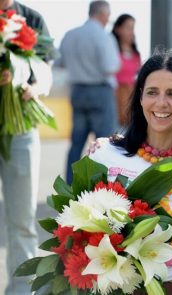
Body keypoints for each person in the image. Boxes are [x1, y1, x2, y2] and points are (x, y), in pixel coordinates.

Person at [88, 49, 172, 294]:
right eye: (152, 92)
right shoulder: (104, 154)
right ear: (140, 98)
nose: (161, 103)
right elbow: (76, 232)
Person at [0, 1, 54, 294]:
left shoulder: (32, 18)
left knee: (21, 219)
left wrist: (32, 85)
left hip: (20, 127)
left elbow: (45, 69)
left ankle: (20, 290)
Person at [57, 0, 120, 184]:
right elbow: (111, 66)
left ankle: (70, 186)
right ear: (102, 14)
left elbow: (60, 62)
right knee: (106, 146)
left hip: (77, 91)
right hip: (100, 91)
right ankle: (104, 186)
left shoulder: (70, 34)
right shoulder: (103, 36)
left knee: (76, 144)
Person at [111, 13, 141, 128]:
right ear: (118, 29)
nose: (131, 32)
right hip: (115, 99)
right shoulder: (112, 51)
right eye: (128, 27)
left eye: (132, 28)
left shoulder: (136, 54)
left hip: (131, 100)